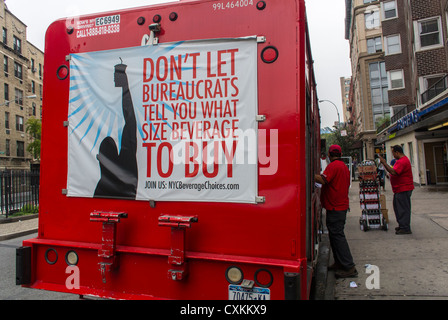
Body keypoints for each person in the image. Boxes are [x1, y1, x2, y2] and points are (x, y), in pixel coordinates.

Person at [315, 145, 357, 278]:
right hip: (339, 207)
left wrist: (308, 172)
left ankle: (349, 266)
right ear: (340, 153)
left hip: (336, 208)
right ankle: (339, 262)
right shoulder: (343, 166)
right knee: (335, 236)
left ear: (329, 153)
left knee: (338, 237)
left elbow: (323, 180)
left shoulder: (334, 166)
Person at [379, 145, 414, 235]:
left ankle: (405, 227)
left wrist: (384, 163)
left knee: (402, 208)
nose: (393, 155)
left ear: (397, 152)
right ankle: (402, 225)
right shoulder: (401, 161)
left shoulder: (402, 161)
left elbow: (394, 171)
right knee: (398, 207)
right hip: (399, 188)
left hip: (403, 188)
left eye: (393, 153)